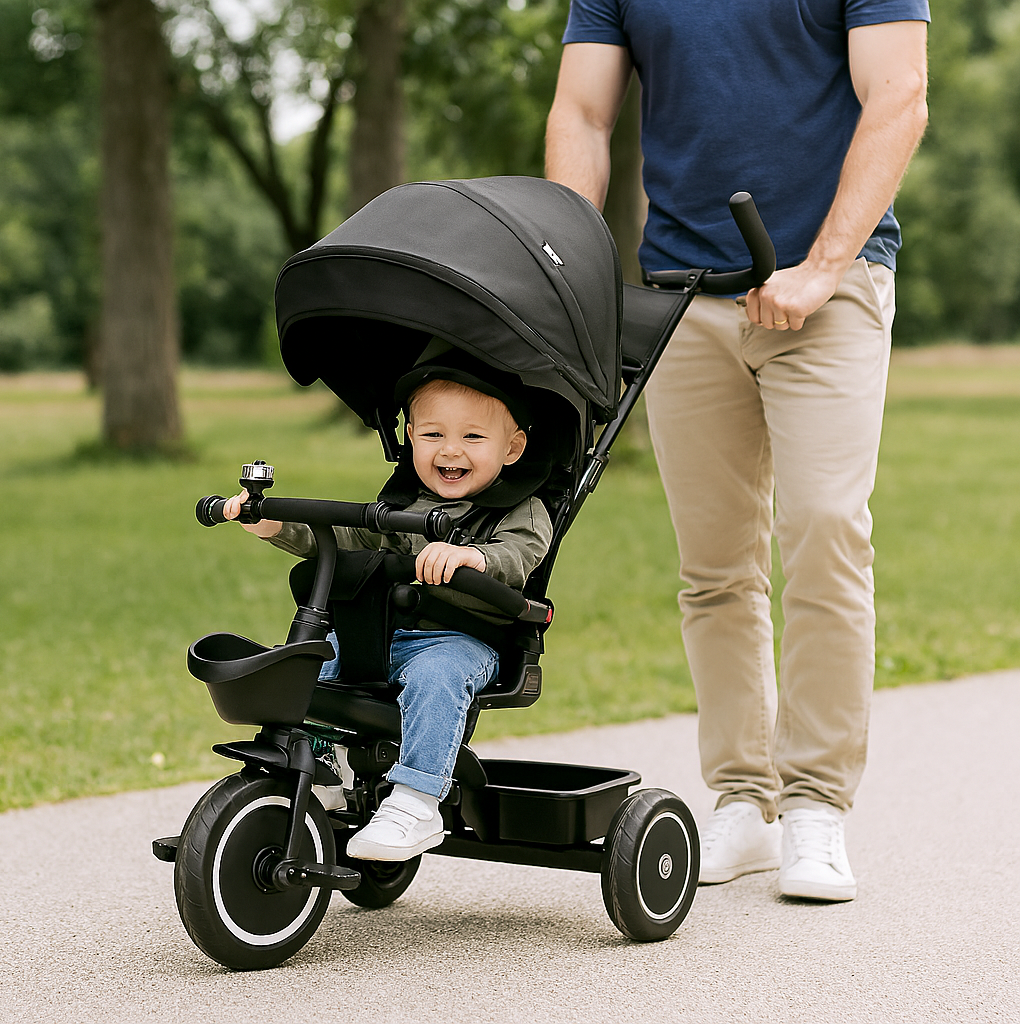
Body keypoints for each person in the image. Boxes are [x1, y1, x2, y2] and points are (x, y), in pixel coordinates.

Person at [545, 0, 929, 901]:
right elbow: (583, 113)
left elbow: (899, 95)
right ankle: (745, 805)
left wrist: (826, 265)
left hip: (829, 290)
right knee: (715, 565)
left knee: (828, 531)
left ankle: (815, 810)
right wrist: (567, 269)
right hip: (685, 291)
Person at [223, 350, 552, 861]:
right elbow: (347, 536)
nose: (451, 450)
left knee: (436, 677)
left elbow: (518, 557)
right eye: (433, 435)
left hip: (464, 642)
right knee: (309, 663)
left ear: (512, 448)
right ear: (410, 435)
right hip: (379, 633)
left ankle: (417, 802)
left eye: (472, 437)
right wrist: (274, 524)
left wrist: (472, 556)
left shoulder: (522, 511)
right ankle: (321, 767)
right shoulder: (403, 502)